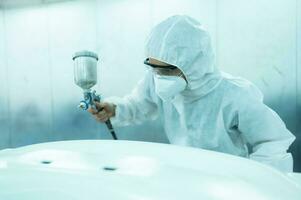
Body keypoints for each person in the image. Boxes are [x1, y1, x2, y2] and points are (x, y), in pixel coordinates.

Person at [88, 15, 295, 172]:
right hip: (184, 174)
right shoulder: (156, 78)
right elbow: (139, 104)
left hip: (228, 178)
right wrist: (115, 109)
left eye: (167, 69)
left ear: (193, 64)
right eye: (154, 66)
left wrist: (253, 180)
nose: (159, 76)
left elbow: (272, 141)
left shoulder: (234, 94)